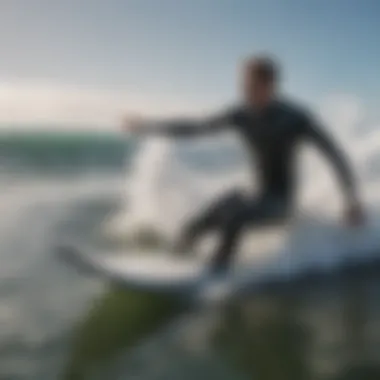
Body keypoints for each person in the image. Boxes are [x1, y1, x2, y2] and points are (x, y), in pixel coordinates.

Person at [124, 55, 366, 274]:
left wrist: (351, 201)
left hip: (281, 204)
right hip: (254, 196)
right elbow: (195, 127)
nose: (244, 91)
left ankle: (214, 275)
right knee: (201, 221)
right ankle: (173, 262)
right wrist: (148, 126)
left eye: (250, 86)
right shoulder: (240, 115)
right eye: (243, 85)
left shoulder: (295, 118)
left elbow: (334, 155)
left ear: (270, 86)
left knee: (234, 217)